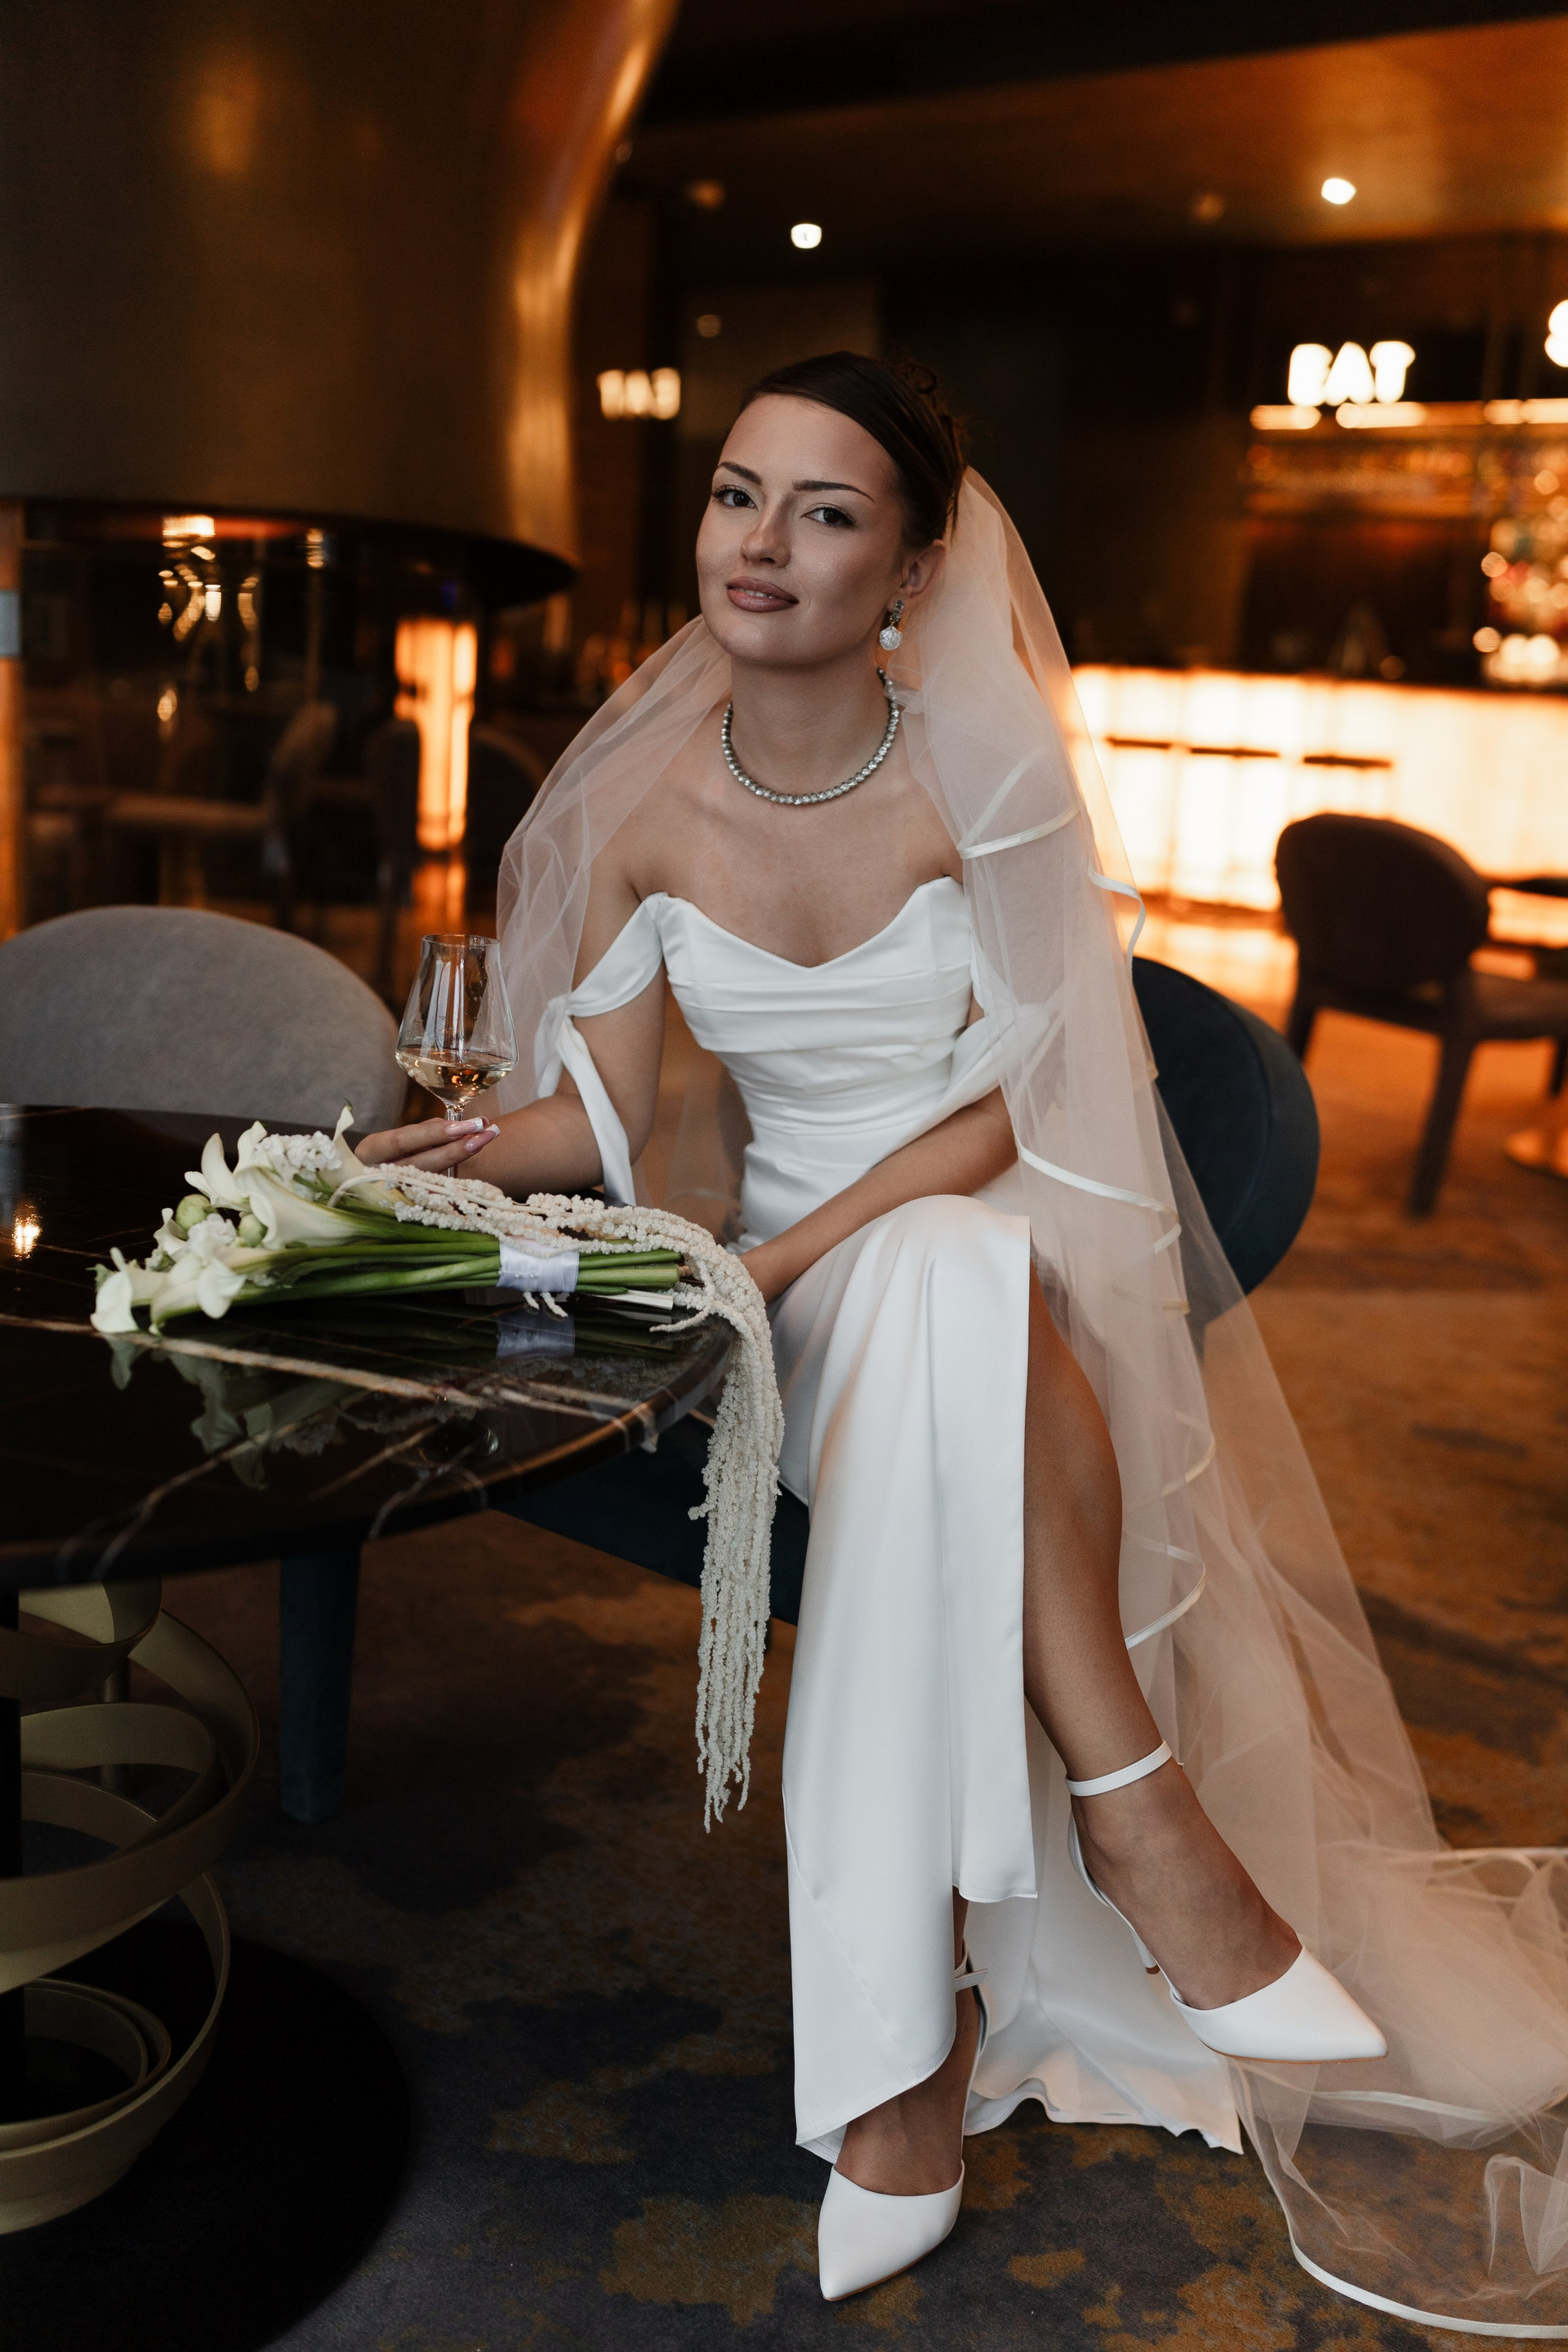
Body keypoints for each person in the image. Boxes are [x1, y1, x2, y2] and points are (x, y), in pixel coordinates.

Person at [358, 354, 1568, 2332]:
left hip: (985, 1240)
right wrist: (460, 1151)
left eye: (826, 511)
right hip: (817, 1289)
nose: (763, 543)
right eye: (737, 494)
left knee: (939, 1271)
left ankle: (899, 2075)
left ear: (913, 570)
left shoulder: (974, 774)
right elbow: (600, 1110)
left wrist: (799, 1249)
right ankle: (1142, 1822)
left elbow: (1023, 1096)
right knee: (921, 1299)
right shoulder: (644, 805)